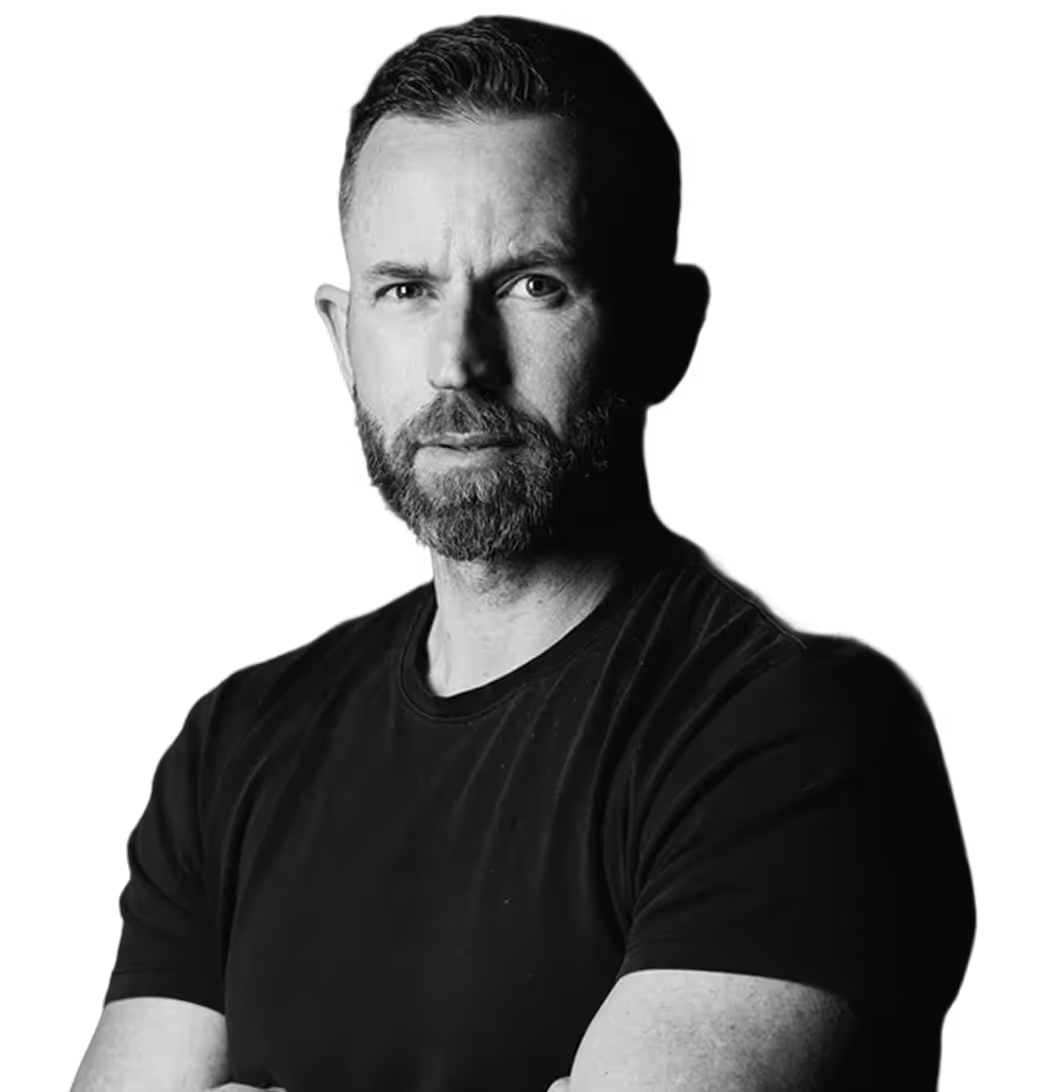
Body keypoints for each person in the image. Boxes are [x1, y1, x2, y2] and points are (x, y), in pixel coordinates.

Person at [71, 15, 976, 1092]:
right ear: (338, 335)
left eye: (531, 284)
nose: (459, 361)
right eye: (404, 291)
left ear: (663, 328)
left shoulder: (798, 728)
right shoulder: (235, 743)